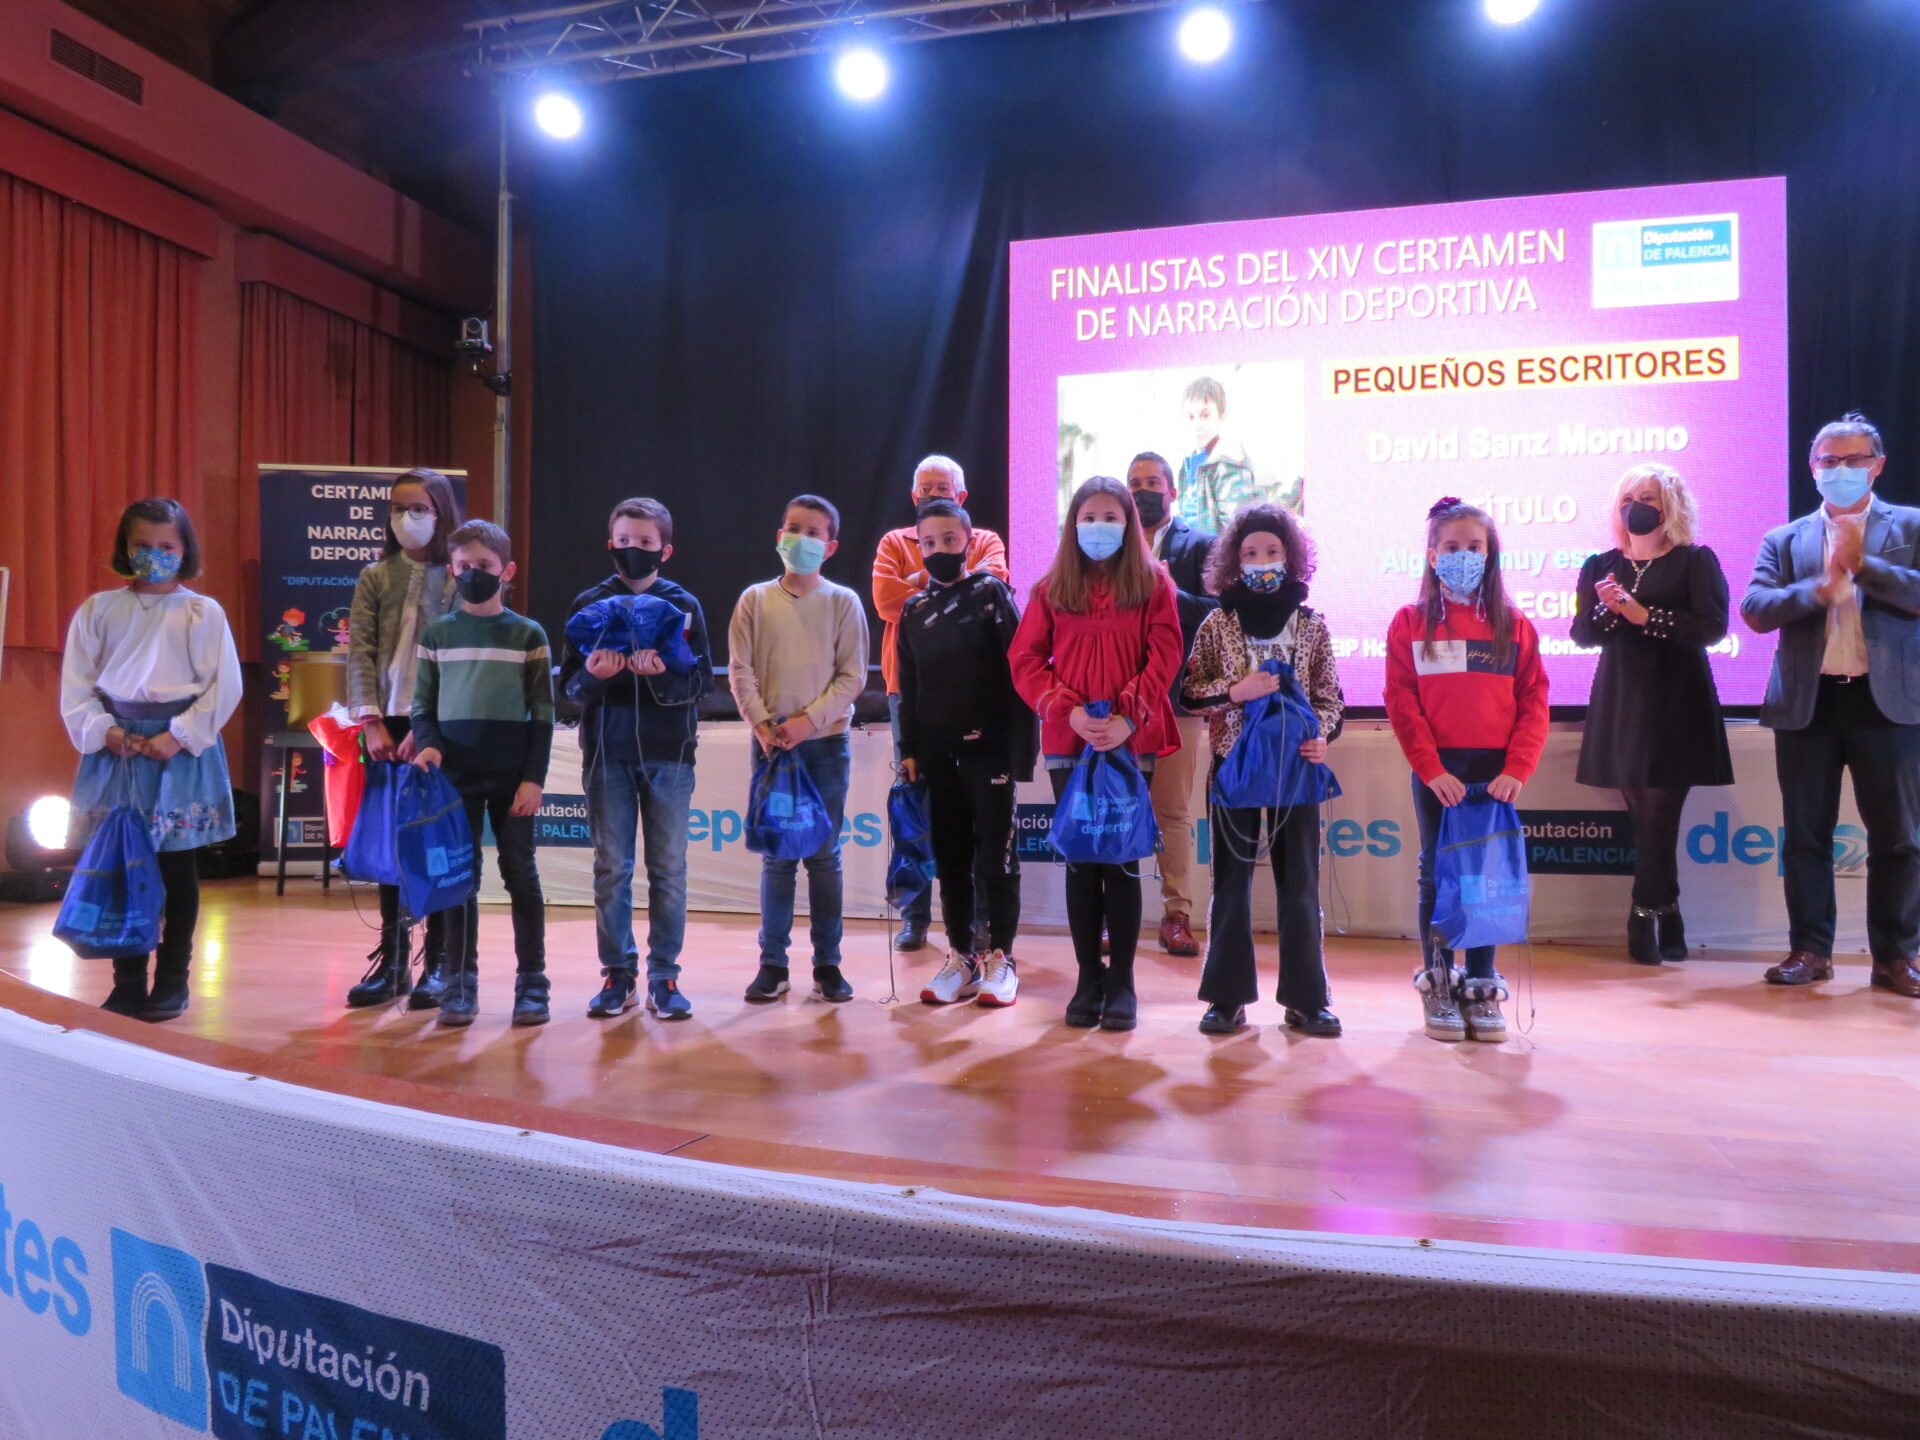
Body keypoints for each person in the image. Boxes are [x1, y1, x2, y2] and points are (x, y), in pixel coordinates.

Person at [1740, 413, 1920, 999]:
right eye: (1828, 461)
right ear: (1812, 468)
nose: (1840, 470)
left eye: (1853, 460)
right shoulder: (1785, 538)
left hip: (1886, 704)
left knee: (1898, 838)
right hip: (1808, 704)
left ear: (1878, 465)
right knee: (1805, 837)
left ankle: (1895, 956)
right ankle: (1811, 950)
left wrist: (1863, 566)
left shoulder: (1911, 525)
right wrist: (1817, 590)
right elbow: (1756, 609)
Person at [1010, 476, 1183, 1031]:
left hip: (1133, 741)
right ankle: (1089, 978)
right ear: (1073, 524)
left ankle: (1123, 981)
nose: (1099, 527)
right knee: (1083, 862)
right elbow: (1025, 660)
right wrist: (1070, 712)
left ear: (1129, 525)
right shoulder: (1051, 588)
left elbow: (1165, 654)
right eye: (1089, 518)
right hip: (1071, 744)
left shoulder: (1154, 583)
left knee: (1123, 860)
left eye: (1111, 517)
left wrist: (1129, 715)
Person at [61, 498, 242, 1021]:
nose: (154, 555)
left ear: (184, 550)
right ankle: (127, 981)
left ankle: (172, 980)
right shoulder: (99, 610)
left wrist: (180, 736)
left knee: (175, 867)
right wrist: (106, 730)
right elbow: (76, 685)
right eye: (142, 545)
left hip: (177, 749)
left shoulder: (202, 612)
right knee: (123, 863)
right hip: (117, 747)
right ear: (125, 547)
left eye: (166, 546)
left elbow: (223, 686)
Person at [1384, 498, 1548, 1043]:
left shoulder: (1514, 624)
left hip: (1496, 773)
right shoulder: (1410, 623)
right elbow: (1402, 701)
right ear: (1432, 556)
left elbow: (1534, 700)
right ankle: (1439, 983)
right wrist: (1431, 769)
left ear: (1490, 553)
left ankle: (1480, 984)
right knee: (1438, 872)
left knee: (1485, 877)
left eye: (1474, 547)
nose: (1463, 556)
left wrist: (1517, 768)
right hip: (1440, 774)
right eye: (1451, 547)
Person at [1180, 505, 1343, 1036]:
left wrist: (1320, 734)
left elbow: (1331, 699)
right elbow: (1190, 693)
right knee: (1230, 886)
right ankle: (1226, 998)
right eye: (1250, 553)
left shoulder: (1312, 624)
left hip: (1296, 772)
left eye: (1272, 551)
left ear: (1290, 557)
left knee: (1301, 887)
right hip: (1234, 768)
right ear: (1235, 561)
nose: (1262, 561)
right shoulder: (1217, 622)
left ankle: (1307, 1000)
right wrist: (1235, 692)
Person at [1570, 464, 1733, 964]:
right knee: (1644, 819)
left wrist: (1646, 616)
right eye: (1628, 499)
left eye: (1647, 498)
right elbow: (1582, 635)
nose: (1636, 508)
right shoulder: (1601, 565)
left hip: (1678, 700)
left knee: (1662, 812)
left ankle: (1641, 915)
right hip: (1623, 699)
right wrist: (1609, 609)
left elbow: (1712, 627)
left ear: (1670, 507)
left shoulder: (1695, 560)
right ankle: (1670, 909)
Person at [559, 498, 713, 1022]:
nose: (633, 550)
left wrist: (662, 677)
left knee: (668, 869)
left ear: (664, 550)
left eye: (645, 543)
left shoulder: (683, 605)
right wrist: (594, 677)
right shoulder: (589, 603)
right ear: (611, 545)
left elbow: (702, 683)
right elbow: (568, 690)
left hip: (671, 755)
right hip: (607, 756)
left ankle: (664, 975)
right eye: (624, 541)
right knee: (611, 869)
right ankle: (618, 975)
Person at [410, 520, 554, 1028]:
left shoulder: (528, 634)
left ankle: (532, 983)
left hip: (513, 778)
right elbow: (422, 707)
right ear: (452, 571)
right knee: (459, 879)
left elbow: (543, 713)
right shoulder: (437, 633)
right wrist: (429, 745)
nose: (474, 573)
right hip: (455, 779)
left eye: (485, 566)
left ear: (506, 571)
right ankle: (459, 982)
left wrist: (533, 778)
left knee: (521, 874)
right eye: (465, 566)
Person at [729, 495, 870, 1004]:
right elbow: (740, 670)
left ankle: (827, 964)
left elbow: (852, 676)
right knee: (777, 858)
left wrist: (809, 722)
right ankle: (773, 964)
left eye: (813, 532)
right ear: (778, 536)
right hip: (771, 747)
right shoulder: (754, 600)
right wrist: (764, 726)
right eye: (794, 528)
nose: (801, 539)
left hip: (824, 746)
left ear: (830, 547)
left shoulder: (843, 602)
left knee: (824, 857)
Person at [897, 499, 1037, 1007]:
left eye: (949, 540)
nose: (939, 549)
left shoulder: (990, 593)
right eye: (929, 542)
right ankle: (962, 956)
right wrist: (909, 750)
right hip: (937, 757)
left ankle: (1002, 958)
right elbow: (909, 688)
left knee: (996, 857)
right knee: (951, 858)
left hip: (991, 752)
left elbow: (1020, 672)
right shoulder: (913, 611)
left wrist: (1022, 752)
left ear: (968, 541)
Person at [870, 455, 1009, 951]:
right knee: (919, 803)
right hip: (910, 691)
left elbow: (992, 584)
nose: (931, 495)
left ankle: (982, 922)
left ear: (961, 497)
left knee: (978, 816)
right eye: (924, 489)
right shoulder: (893, 541)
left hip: (975, 695)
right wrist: (938, 584)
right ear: (913, 497)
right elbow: (886, 600)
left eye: (941, 488)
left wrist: (919, 581)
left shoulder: (986, 538)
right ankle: (917, 917)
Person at [342, 467, 463, 1010]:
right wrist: (370, 721)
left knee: (433, 844)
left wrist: (427, 723)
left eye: (417, 509)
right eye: (397, 508)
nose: (405, 518)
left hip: (438, 726)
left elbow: (456, 656)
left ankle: (438, 963)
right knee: (392, 843)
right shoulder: (375, 575)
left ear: (440, 513)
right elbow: (360, 651)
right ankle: (392, 962)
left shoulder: (459, 576)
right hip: (386, 727)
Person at [1127, 450, 1217, 958]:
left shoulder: (1200, 546)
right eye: (1134, 483)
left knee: (1171, 812)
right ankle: (1113, 914)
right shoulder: (1107, 546)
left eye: (1152, 482)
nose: (1143, 491)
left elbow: (1220, 613)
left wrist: (1172, 594)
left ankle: (1176, 914)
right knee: (1116, 805)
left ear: (1172, 491)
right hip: (1117, 702)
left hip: (1176, 699)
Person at [1175, 377, 1258, 534]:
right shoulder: (1187, 465)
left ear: (1221, 418)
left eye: (1205, 415)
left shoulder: (1230, 465)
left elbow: (1236, 531)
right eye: (1191, 417)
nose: (1197, 425)